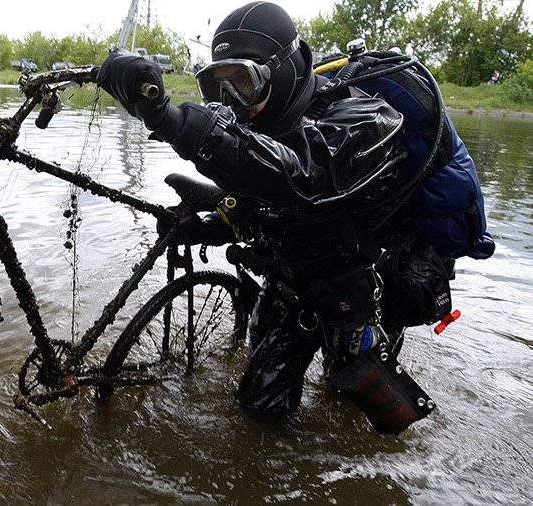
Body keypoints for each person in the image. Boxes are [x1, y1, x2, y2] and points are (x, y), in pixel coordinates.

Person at [96, 1, 493, 434]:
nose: (231, 102)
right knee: (258, 406)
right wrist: (214, 222)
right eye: (216, 86)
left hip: (369, 271)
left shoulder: (367, 119)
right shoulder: (271, 124)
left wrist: (168, 117)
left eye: (243, 83)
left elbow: (302, 174)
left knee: (354, 394)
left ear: (281, 71)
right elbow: (270, 190)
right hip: (301, 269)